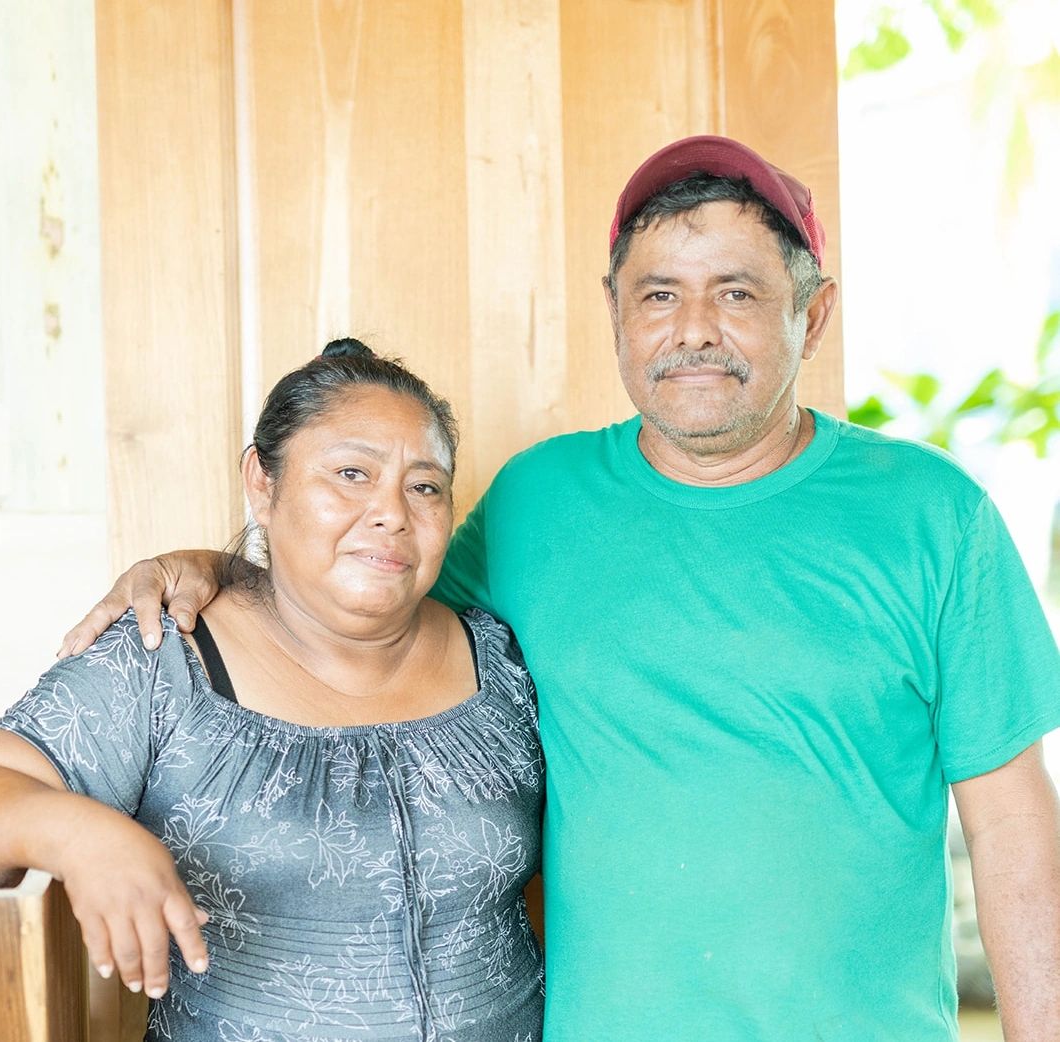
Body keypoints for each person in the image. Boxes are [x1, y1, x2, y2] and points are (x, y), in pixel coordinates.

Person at [62, 137, 1060, 1041]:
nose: (693, 329)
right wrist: (216, 564)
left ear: (815, 311)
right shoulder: (540, 498)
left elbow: (1013, 825)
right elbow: (359, 593)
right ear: (616, 312)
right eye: (658, 293)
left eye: (739, 293)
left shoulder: (935, 517)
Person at [0, 340, 545, 1042]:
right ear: (263, 482)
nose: (392, 514)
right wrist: (76, 833)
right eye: (351, 473)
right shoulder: (167, 655)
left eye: (425, 486)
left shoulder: (500, 661)